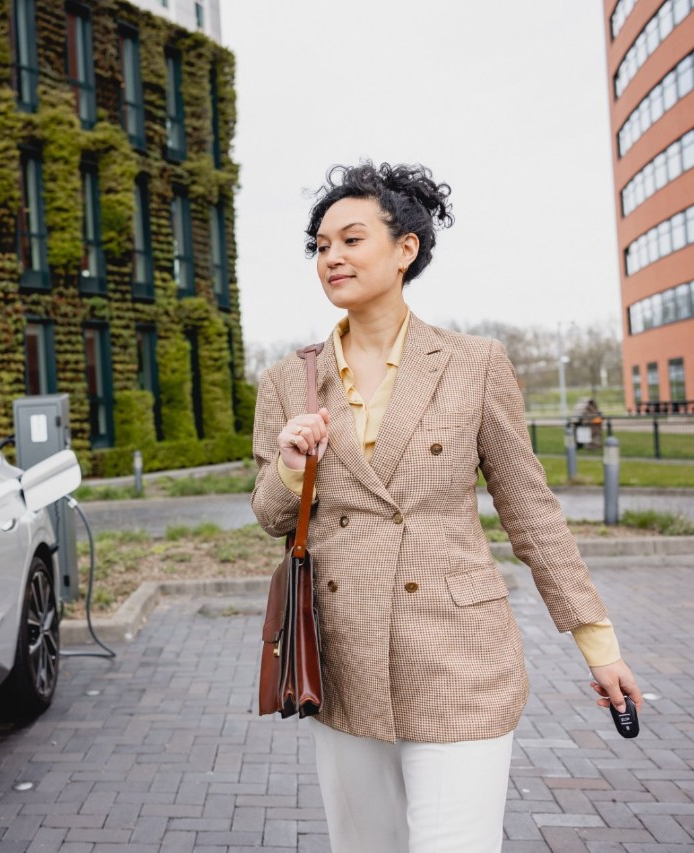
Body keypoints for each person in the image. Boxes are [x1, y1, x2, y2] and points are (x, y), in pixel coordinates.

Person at [250, 161, 642, 852]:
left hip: (459, 653)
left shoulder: (474, 362)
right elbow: (270, 514)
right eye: (320, 245)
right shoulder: (289, 379)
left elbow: (530, 508)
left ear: (407, 249)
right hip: (342, 658)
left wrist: (597, 643)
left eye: (350, 239)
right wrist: (289, 462)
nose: (331, 256)